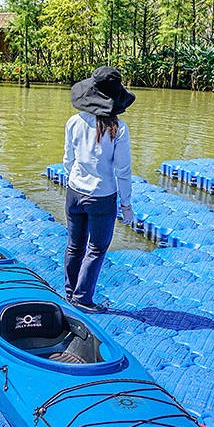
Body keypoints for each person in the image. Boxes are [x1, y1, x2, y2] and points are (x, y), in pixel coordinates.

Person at [62, 66, 135, 313]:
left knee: (74, 245)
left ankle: (70, 293)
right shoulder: (119, 129)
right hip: (102, 197)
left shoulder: (74, 122)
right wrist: (126, 205)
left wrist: (74, 181)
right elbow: (122, 171)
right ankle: (82, 299)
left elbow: (67, 160)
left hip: (74, 192)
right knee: (96, 249)